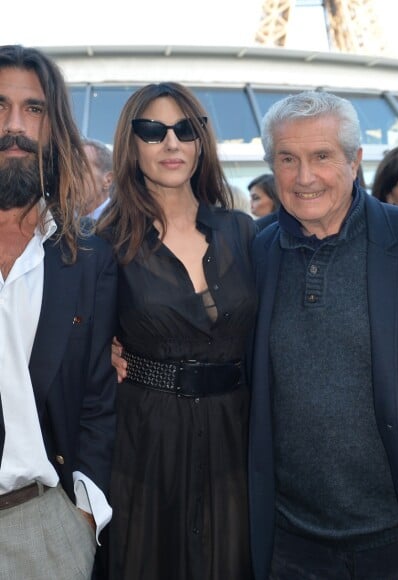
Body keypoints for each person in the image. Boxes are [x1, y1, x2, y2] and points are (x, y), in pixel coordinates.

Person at [248, 91, 398, 579]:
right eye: (287, 159)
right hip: (289, 547)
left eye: (321, 156)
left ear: (356, 160)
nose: (304, 177)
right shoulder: (253, 256)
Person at [98, 82, 257, 580]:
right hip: (146, 440)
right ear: (131, 143)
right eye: (153, 131)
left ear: (200, 141)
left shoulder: (244, 231)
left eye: (185, 129)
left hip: (238, 433)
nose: (171, 143)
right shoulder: (103, 241)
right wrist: (99, 349)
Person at [0, 45, 117, 579]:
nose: (15, 127)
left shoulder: (89, 259)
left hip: (45, 530)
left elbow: (100, 399)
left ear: (56, 127)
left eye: (34, 109)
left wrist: (84, 518)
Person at [82, 138, 113, 220]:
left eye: (81, 170)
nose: (71, 178)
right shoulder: (55, 222)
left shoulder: (124, 225)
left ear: (108, 180)